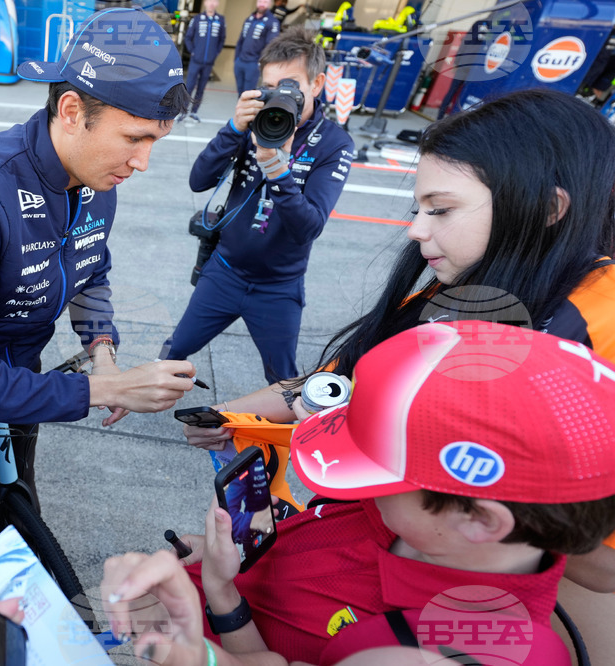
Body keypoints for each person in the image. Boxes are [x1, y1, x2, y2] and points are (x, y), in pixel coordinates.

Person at [181, 87, 615, 657]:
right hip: (344, 558)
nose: (415, 228)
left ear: (544, 208)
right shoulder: (465, 287)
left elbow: (598, 571)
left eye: (441, 209)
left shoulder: (592, 336)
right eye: (418, 208)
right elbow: (336, 381)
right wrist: (238, 414)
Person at [102, 321, 615, 665]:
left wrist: (195, 654)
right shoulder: (434, 530)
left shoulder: (433, 652)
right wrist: (220, 588)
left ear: (480, 519)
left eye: (376, 472)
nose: (361, 490)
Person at [0, 7, 197, 567]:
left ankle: (3, 562)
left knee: (13, 497)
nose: (143, 161)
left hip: (18, 370)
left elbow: (92, 268)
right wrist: (112, 390)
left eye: (155, 140)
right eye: (134, 138)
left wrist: (101, 351)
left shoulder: (97, 176)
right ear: (72, 110)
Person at [162, 27, 354, 384]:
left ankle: (283, 439)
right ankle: (136, 400)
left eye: (291, 85)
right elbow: (198, 180)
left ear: (316, 84)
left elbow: (308, 228)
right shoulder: (253, 124)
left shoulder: (334, 143)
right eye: (270, 85)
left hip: (278, 286)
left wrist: (277, 169)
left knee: (284, 379)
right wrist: (234, 128)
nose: (280, 95)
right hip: (225, 270)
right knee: (176, 348)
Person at [179, 0, 226, 123]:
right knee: (189, 86)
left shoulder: (220, 20)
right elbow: (188, 37)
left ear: (217, 3)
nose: (211, 3)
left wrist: (215, 53)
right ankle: (183, 111)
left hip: (209, 63)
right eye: (209, 1)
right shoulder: (198, 19)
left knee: (201, 89)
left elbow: (222, 39)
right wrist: (193, 51)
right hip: (196, 60)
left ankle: (194, 112)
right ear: (205, 3)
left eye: (214, 1)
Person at [233, 0, 279, 95]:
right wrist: (236, 59)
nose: (262, 4)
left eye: (265, 2)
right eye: (260, 1)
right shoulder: (249, 19)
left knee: (248, 94)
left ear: (270, 4)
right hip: (240, 62)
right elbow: (241, 40)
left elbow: (270, 46)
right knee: (240, 93)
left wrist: (259, 63)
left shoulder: (273, 22)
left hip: (253, 64)